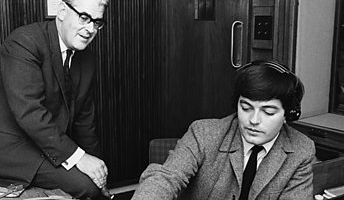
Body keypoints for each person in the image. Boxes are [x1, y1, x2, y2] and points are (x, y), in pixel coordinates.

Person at [0, 0, 111, 200]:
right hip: (10, 149)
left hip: (44, 145)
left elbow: (85, 120)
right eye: (84, 18)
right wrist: (79, 158)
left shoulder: (87, 57)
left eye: (97, 22)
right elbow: (31, 114)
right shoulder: (24, 42)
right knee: (86, 186)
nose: (90, 29)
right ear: (62, 11)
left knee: (94, 181)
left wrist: (97, 167)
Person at [131, 60, 315, 200]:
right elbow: (166, 177)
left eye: (268, 112)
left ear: (287, 115)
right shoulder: (203, 133)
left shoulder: (301, 150)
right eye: (246, 107)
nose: (254, 120)